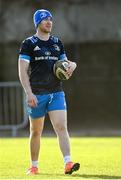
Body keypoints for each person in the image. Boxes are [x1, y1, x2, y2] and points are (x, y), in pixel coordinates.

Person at [18, 9, 80, 175]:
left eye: (51, 19)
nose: (49, 22)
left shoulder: (57, 42)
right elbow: (22, 70)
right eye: (45, 19)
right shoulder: (28, 43)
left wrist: (72, 65)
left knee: (61, 127)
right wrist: (29, 93)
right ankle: (34, 165)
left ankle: (68, 162)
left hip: (56, 92)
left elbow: (64, 64)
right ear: (37, 22)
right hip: (37, 94)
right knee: (36, 131)